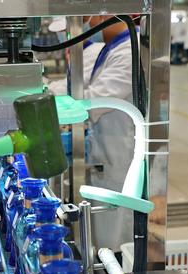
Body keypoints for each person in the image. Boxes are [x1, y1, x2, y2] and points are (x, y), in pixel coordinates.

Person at [47, 16, 137, 251]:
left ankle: (118, 272)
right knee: (102, 228)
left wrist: (46, 104)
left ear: (105, 14)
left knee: (115, 232)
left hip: (119, 154)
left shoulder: (129, 51)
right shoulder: (112, 47)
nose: (87, 22)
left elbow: (96, 100)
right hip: (104, 152)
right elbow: (77, 87)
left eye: (87, 16)